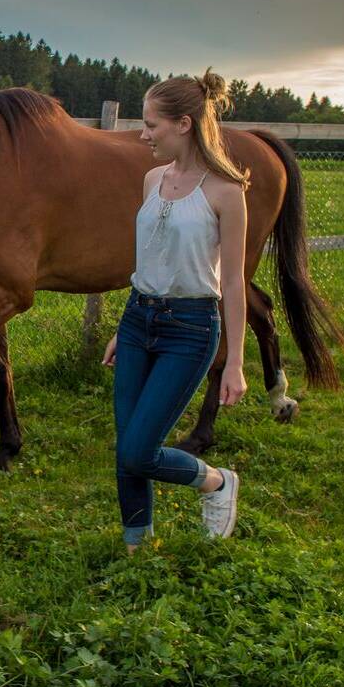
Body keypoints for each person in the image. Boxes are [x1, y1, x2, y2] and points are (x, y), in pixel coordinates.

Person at [101, 68, 248, 554]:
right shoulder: (151, 179)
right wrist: (126, 325)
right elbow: (150, 258)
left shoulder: (226, 192)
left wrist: (236, 362)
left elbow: (231, 282)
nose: (143, 135)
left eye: (151, 125)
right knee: (127, 447)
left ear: (183, 124)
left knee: (139, 450)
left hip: (190, 329)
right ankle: (135, 547)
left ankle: (217, 483)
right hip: (138, 318)